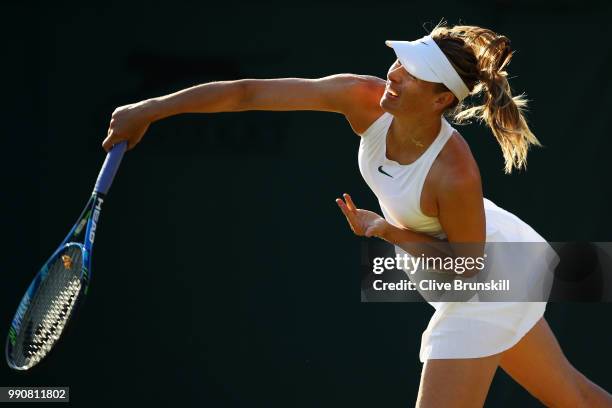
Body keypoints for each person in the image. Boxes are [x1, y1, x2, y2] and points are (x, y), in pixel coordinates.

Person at [103, 22, 612, 408]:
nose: (395, 74)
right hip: (497, 255)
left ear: (440, 100)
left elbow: (468, 268)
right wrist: (149, 109)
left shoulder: (455, 173)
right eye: (402, 62)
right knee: (577, 401)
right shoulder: (364, 96)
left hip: (485, 280)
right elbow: (248, 92)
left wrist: (385, 229)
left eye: (414, 75)